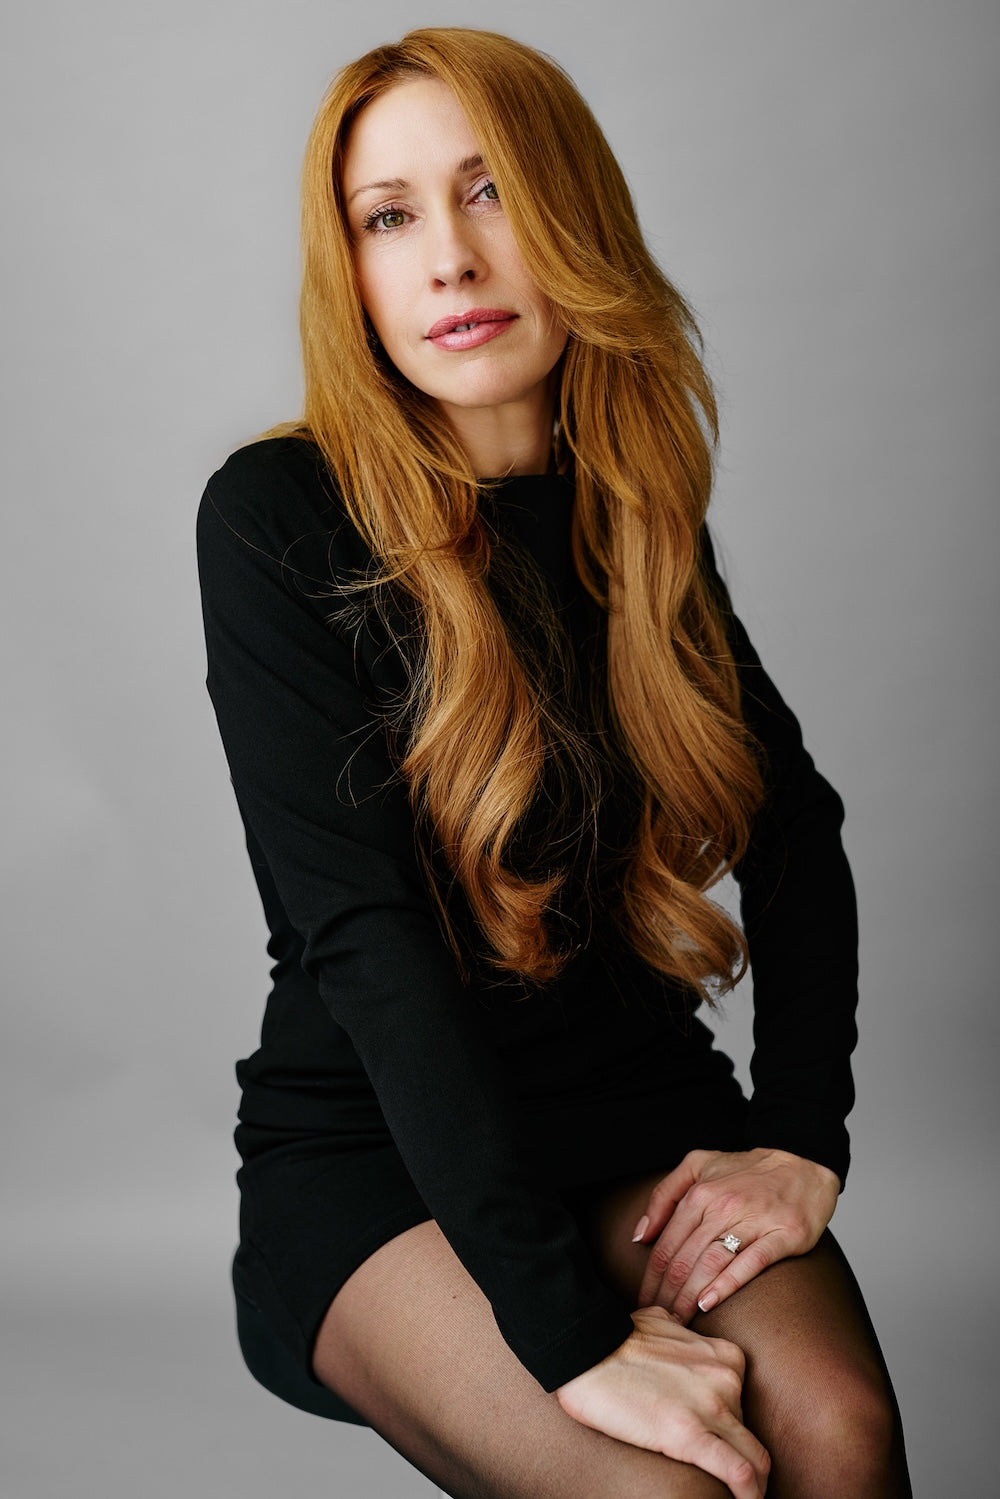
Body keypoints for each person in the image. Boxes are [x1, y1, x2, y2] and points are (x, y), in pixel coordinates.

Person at [197, 26, 910, 1499]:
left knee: (839, 1438)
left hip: (637, 1111)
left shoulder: (628, 509)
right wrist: (570, 1338)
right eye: (388, 216)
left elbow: (795, 828)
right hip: (381, 1156)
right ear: (352, 272)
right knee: (666, 1491)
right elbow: (367, 940)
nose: (450, 259)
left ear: (573, 216)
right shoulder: (278, 516)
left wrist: (801, 1135)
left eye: (491, 192)